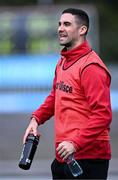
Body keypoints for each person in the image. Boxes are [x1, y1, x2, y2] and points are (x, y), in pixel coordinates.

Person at [23, 8, 112, 179]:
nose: (60, 28)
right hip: (64, 156)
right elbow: (55, 96)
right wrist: (36, 119)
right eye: (59, 24)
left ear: (82, 30)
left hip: (88, 158)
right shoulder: (63, 61)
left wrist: (75, 143)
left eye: (67, 24)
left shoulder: (91, 67)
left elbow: (103, 115)